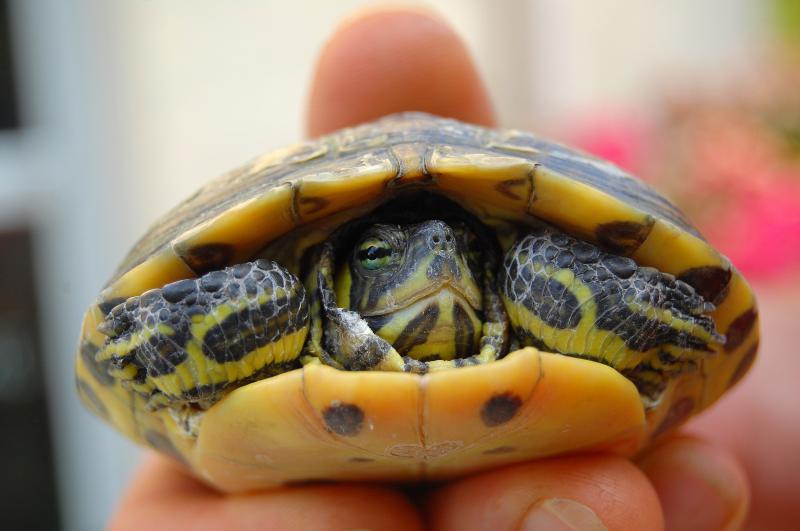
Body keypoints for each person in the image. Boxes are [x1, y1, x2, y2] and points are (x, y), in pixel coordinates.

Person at [109, 8, 760, 530]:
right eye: (375, 256)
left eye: (467, 254)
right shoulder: (285, 303)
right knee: (265, 295)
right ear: (333, 276)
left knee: (540, 269)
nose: (440, 263)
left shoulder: (527, 274)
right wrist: (163, 339)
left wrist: (652, 317)